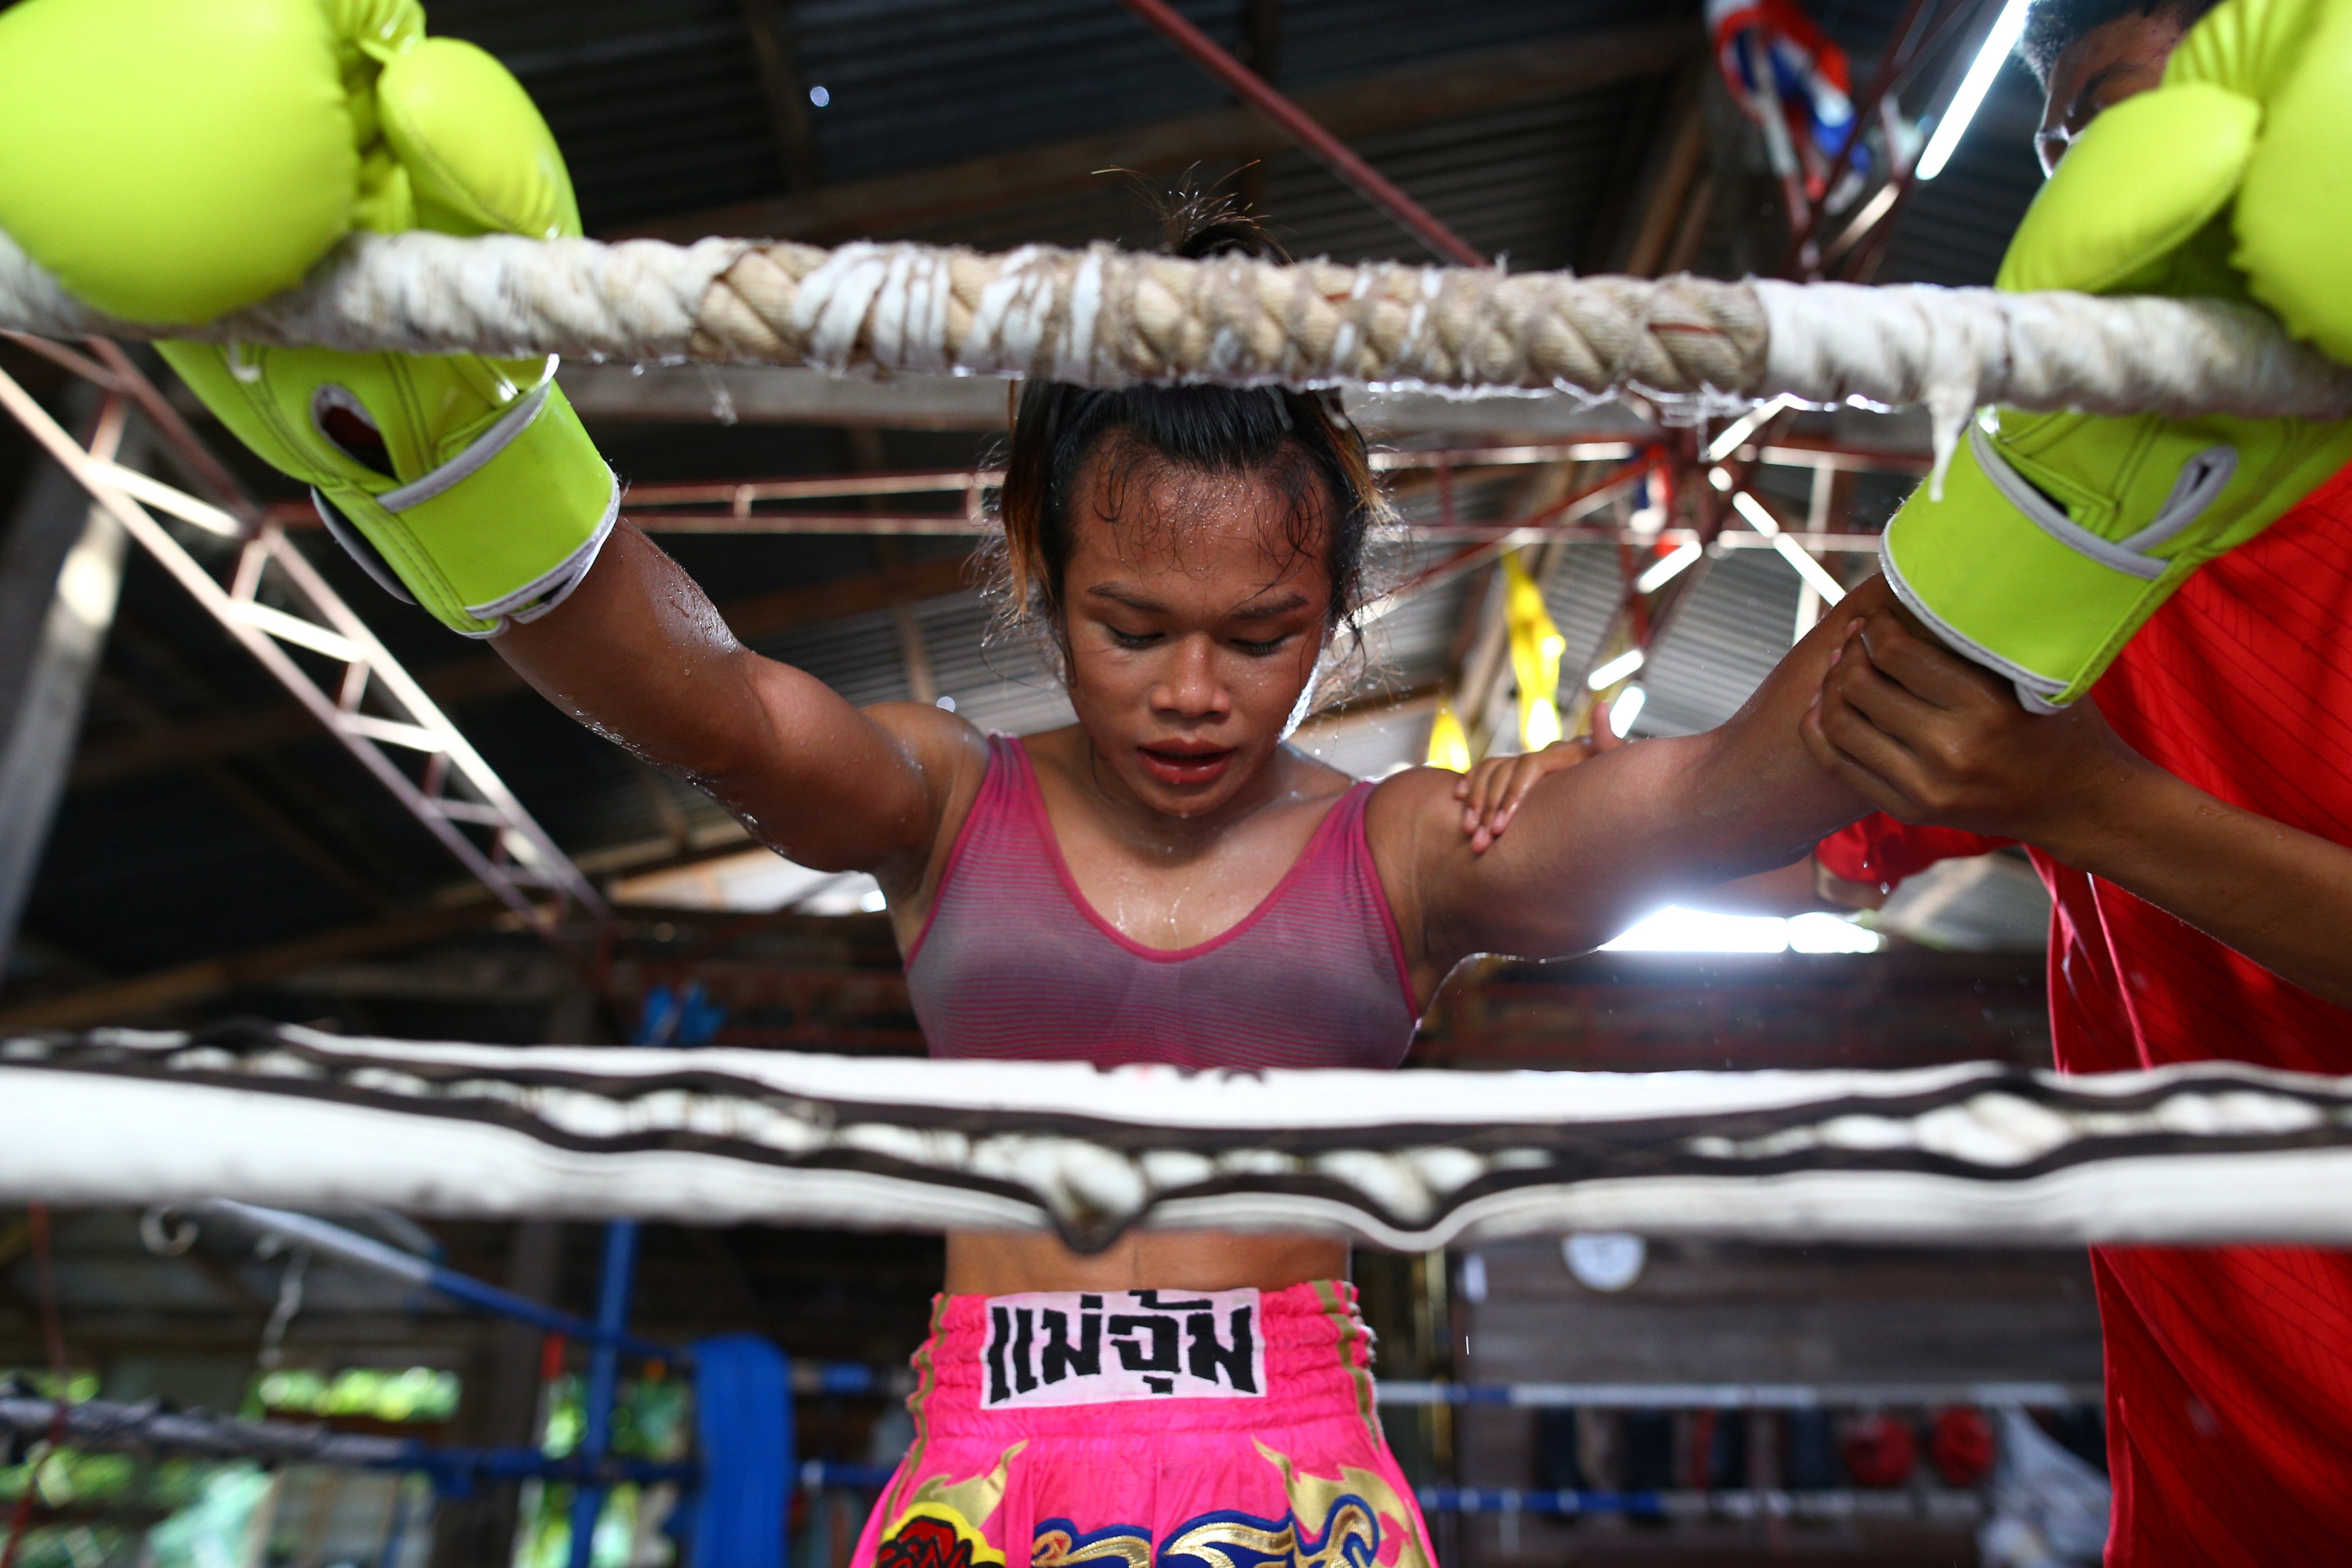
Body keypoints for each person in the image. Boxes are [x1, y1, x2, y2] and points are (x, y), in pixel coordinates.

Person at [0, 6, 1896, 1557]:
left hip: (1293, 1463)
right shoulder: (943, 800)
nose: (1190, 691)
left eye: (1258, 635)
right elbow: (709, 706)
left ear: (1334, 610)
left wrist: (2038, 531)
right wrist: (440, 444)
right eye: (1133, 622)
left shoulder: (1408, 842)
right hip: (995, 1452)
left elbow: (1734, 787)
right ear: (1036, 567)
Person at [1460, 1, 2352, 1556]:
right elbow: (1735, 819)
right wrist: (1427, 851)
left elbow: (2019, 788)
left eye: (2142, 111)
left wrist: (2081, 806)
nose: (2113, 182)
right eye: (2077, 140)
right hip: (2226, 1497)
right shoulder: (2057, 522)